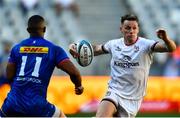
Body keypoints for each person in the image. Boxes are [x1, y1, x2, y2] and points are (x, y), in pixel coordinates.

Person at [69, 14, 176, 117]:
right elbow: (96, 49)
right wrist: (76, 47)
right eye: (128, 28)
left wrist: (165, 39)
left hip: (134, 99)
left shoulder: (146, 45)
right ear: (121, 29)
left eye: (134, 28)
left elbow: (171, 48)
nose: (131, 31)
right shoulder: (114, 44)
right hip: (114, 91)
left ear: (138, 29)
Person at [0, 15, 84, 117]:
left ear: (28, 30)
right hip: (37, 106)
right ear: (44, 29)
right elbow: (74, 73)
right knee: (61, 115)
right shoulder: (54, 50)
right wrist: (78, 86)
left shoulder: (17, 48)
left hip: (12, 104)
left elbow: (9, 75)